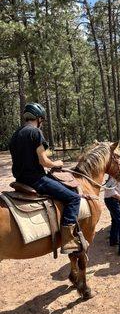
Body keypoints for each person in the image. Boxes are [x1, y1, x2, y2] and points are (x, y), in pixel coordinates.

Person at [9, 102, 81, 254]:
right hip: (36, 179)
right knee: (74, 198)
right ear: (39, 119)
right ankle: (68, 239)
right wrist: (57, 163)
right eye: (42, 120)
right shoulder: (35, 133)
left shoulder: (16, 135)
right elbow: (43, 161)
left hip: (20, 179)